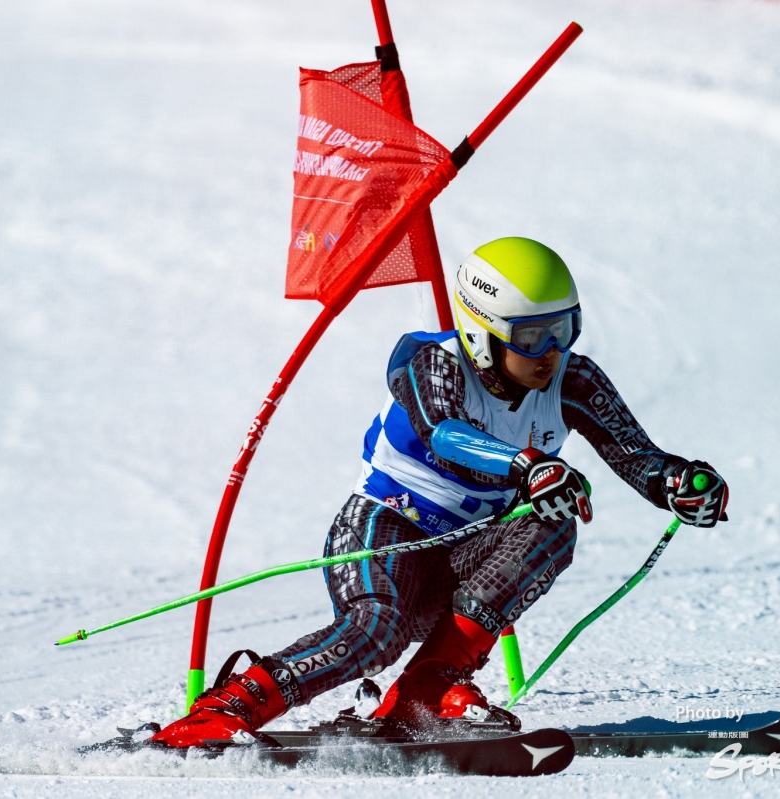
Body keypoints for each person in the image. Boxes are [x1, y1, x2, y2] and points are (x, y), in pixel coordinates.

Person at [152, 237, 729, 747]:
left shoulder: (571, 380)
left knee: (552, 524)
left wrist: (680, 484)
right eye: (533, 337)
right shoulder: (429, 361)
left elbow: (636, 456)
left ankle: (426, 692)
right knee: (375, 633)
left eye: (564, 330)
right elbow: (447, 434)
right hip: (385, 530)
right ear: (482, 333)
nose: (552, 353)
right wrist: (526, 466)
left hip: (467, 548)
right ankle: (232, 706)